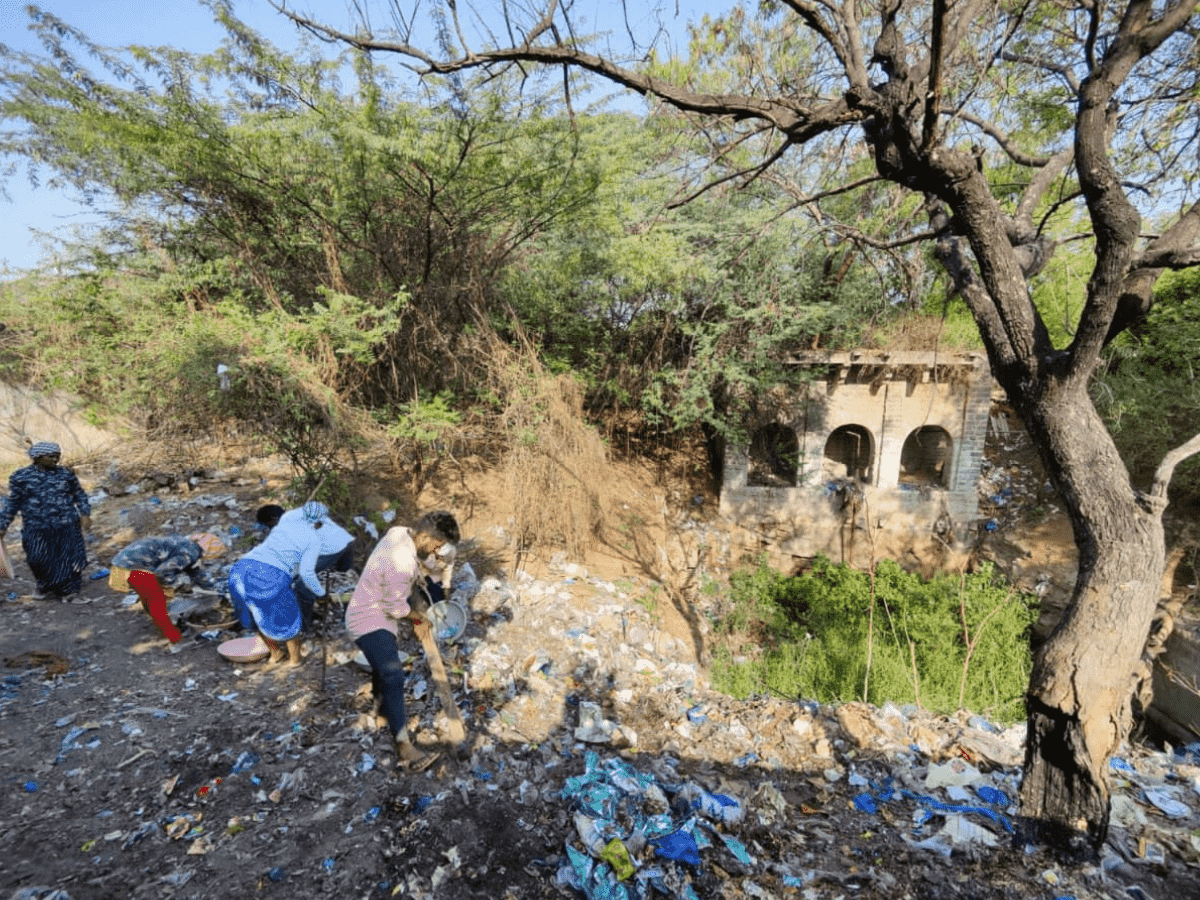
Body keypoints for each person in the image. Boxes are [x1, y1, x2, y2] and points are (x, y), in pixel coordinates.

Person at [345, 510, 459, 772]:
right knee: (393, 674)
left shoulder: (399, 533)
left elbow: (399, 586)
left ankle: (382, 714)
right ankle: (404, 747)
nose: (435, 552)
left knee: (383, 664)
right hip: (367, 618)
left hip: (372, 609)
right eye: (436, 546)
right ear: (426, 537)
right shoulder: (404, 560)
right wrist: (419, 618)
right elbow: (396, 607)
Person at [227, 501, 326, 665]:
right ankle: (295, 660)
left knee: (255, 613)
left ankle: (276, 654)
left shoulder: (279, 530)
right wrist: (320, 592)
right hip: (268, 575)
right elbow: (307, 572)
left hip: (240, 571)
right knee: (288, 616)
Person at [0, 441, 91, 600]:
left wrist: (85, 514)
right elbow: (13, 502)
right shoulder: (20, 476)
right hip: (36, 526)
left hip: (66, 524)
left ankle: (67, 592)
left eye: (58, 456)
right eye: (51, 457)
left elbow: (79, 494)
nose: (55, 460)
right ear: (37, 457)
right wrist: (3, 525)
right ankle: (45, 585)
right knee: (36, 558)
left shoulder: (66, 474)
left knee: (67, 558)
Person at [256, 501, 356, 629]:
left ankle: (303, 626)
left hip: (333, 550)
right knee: (341, 579)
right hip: (346, 542)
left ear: (274, 519)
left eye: (267, 524)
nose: (267, 528)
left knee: (301, 588)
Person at [109, 534, 215, 643]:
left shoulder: (187, 546)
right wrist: (178, 584)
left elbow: (194, 570)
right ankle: (174, 632)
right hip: (130, 567)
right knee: (161, 596)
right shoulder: (190, 553)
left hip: (121, 563)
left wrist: (210, 587)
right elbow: (163, 572)